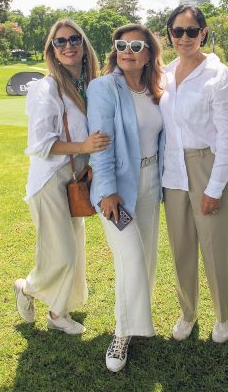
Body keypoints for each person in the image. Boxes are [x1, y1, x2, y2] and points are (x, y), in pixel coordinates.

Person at [12, 19, 111, 335]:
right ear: (52, 50)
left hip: (74, 179)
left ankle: (59, 309)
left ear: (84, 45)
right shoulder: (48, 87)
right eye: (60, 42)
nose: (68, 46)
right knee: (62, 253)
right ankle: (28, 289)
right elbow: (40, 144)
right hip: (50, 179)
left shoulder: (88, 83)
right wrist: (82, 146)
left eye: (74, 39)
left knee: (74, 248)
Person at [159, 5, 228, 344]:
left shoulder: (218, 76)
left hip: (208, 166)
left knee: (214, 248)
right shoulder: (164, 73)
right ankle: (187, 313)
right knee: (181, 248)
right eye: (177, 31)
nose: (184, 38)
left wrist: (215, 188)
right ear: (169, 34)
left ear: (203, 33)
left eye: (191, 31)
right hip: (173, 170)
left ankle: (223, 316)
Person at [86, 24, 165, 372]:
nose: (127, 50)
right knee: (130, 258)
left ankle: (132, 326)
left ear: (148, 54)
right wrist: (106, 191)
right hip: (117, 188)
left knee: (146, 259)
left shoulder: (153, 90)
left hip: (151, 182)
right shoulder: (104, 88)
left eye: (136, 45)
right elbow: (100, 143)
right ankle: (121, 333)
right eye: (122, 44)